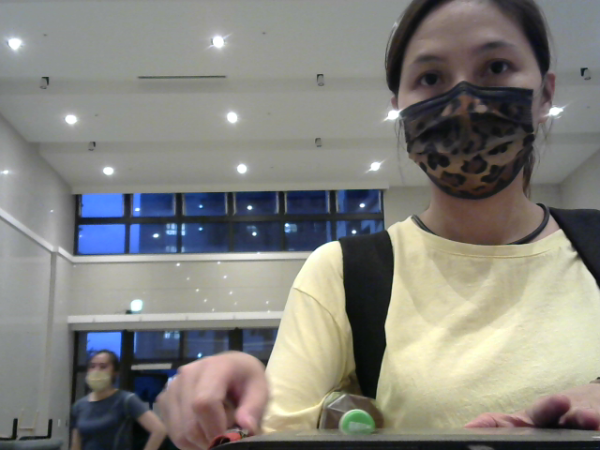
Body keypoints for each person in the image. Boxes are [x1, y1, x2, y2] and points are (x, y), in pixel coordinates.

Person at [157, 0, 600, 448]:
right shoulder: (344, 273)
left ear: (546, 94)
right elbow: (271, 431)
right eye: (431, 78)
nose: (464, 99)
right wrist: (241, 405)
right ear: (400, 110)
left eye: (497, 67)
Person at [71, 350, 167, 450]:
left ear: (115, 372)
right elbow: (76, 445)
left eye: (103, 367)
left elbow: (159, 430)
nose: (96, 371)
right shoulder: (79, 406)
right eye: (92, 366)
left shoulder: (126, 400)